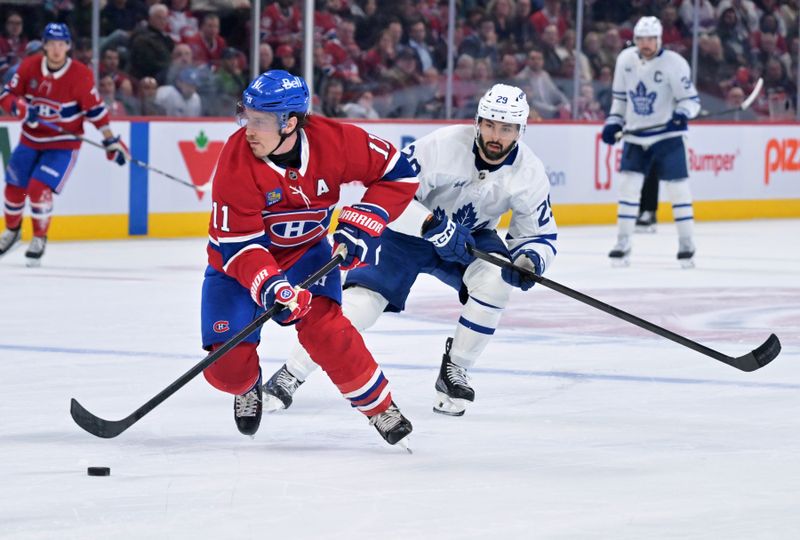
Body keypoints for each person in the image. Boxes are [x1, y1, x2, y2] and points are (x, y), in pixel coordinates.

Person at [263, 83, 558, 417]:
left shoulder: (530, 173)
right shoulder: (443, 146)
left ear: (520, 130)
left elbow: (538, 234)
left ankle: (455, 370)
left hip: (469, 239)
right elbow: (390, 188)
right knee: (361, 305)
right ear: (477, 122)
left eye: (506, 128)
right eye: (489, 124)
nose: (495, 135)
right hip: (405, 232)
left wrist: (530, 259)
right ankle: (291, 373)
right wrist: (431, 224)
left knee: (496, 280)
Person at [201, 70, 418, 447]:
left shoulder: (335, 141)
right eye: (246, 115)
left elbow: (399, 173)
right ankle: (247, 385)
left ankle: (380, 407)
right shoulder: (236, 160)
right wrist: (271, 284)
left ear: (291, 123)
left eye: (261, 121)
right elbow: (237, 245)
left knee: (329, 332)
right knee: (226, 370)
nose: (248, 129)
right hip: (240, 266)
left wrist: (365, 221)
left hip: (308, 257)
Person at [0, 23, 128, 266]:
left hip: (63, 144)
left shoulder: (80, 74)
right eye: (52, 44)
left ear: (68, 46)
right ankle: (12, 231)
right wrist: (20, 107)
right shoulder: (29, 67)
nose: (57, 49)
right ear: (44, 46)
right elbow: (6, 95)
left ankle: (39, 237)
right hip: (30, 139)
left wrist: (110, 140)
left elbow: (96, 111)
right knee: (13, 188)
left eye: (61, 44)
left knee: (38, 189)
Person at [600, 16, 701, 268]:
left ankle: (686, 243)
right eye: (640, 39)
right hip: (635, 136)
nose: (645, 43)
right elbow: (620, 100)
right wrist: (613, 122)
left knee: (678, 190)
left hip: (668, 138)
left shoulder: (675, 64)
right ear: (634, 39)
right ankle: (623, 242)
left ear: (659, 39)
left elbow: (691, 101)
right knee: (627, 188)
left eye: (650, 39)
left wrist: (681, 114)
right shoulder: (625, 60)